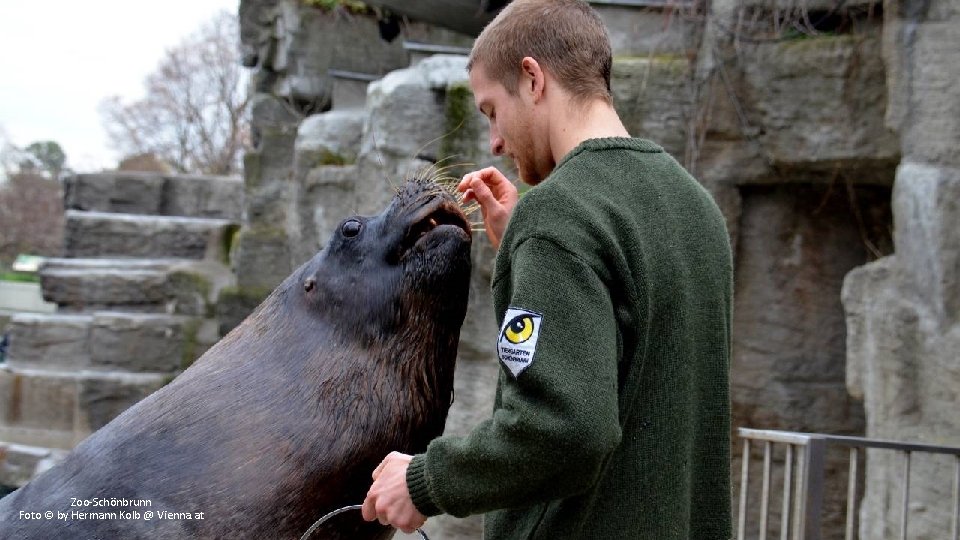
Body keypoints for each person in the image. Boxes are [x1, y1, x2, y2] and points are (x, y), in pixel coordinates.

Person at [362, 0, 733, 537]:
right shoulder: (695, 206)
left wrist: (425, 481)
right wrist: (525, 241)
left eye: (491, 110)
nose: (494, 139)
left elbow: (565, 429)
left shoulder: (559, 216)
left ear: (532, 79)